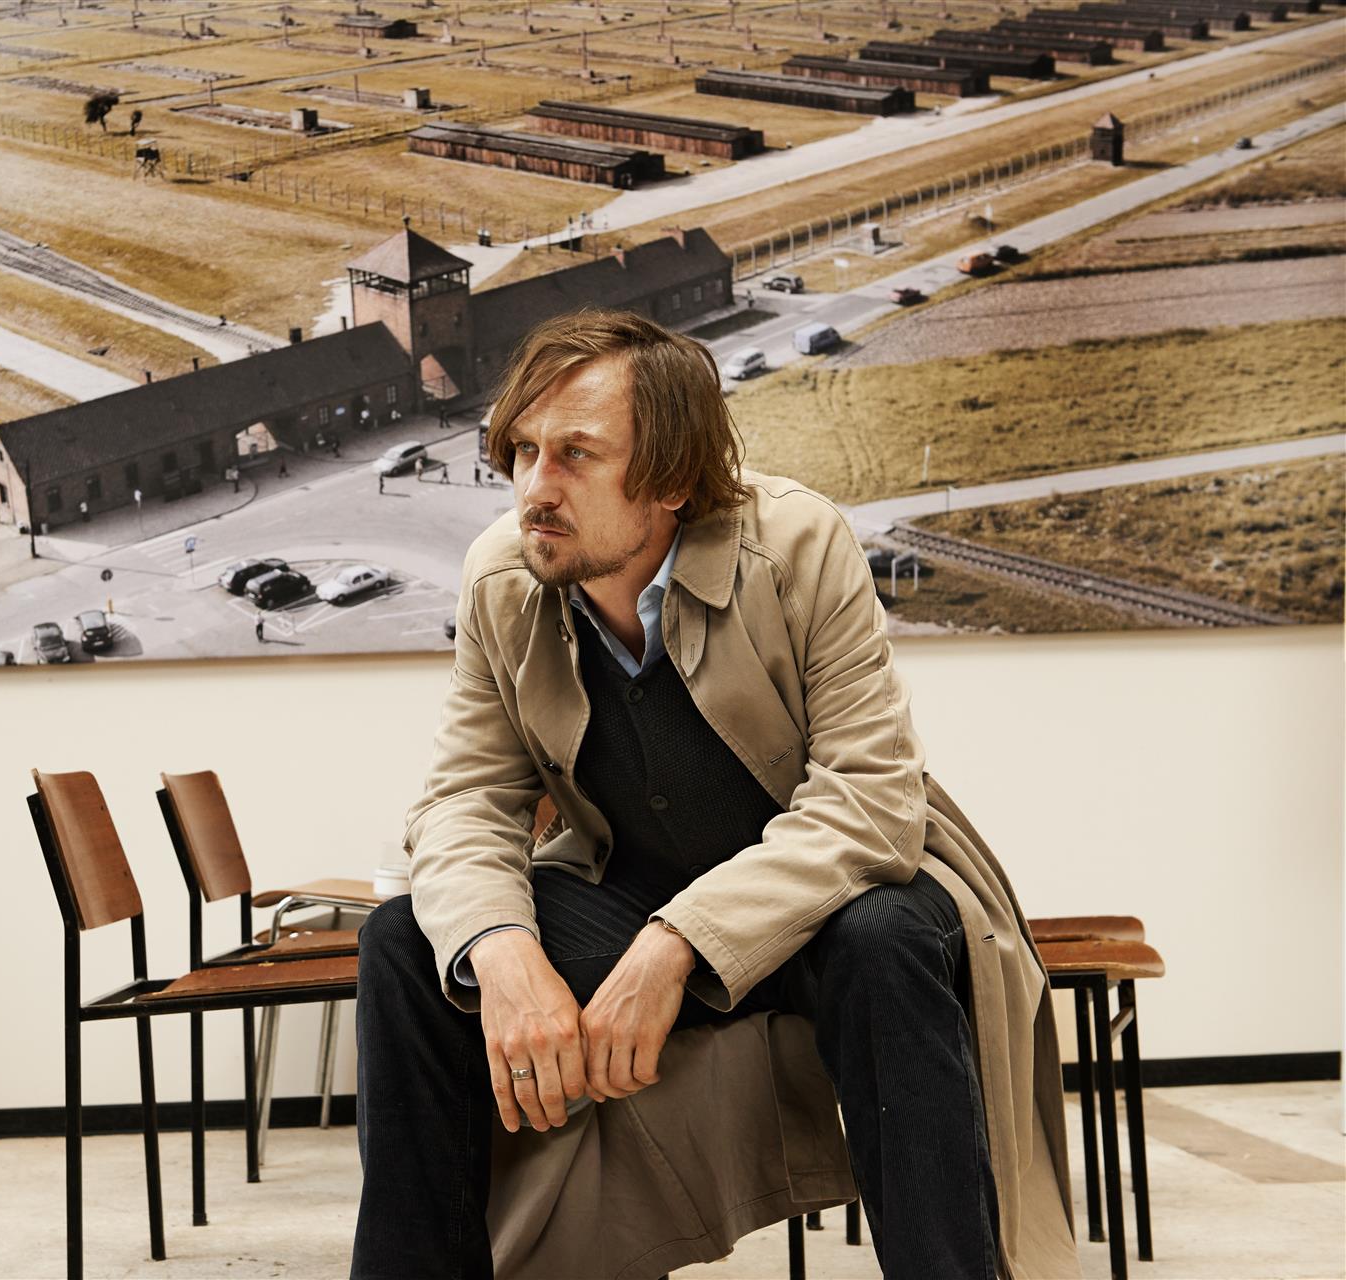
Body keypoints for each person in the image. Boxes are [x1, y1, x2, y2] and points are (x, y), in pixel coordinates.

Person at [350, 309, 1077, 1280]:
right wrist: (503, 949)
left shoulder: (800, 542)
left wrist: (676, 943)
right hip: (627, 890)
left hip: (828, 905)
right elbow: (465, 800)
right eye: (522, 450)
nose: (534, 489)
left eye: (575, 454)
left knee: (887, 938)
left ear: (673, 480)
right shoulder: (501, 577)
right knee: (406, 944)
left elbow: (870, 799)